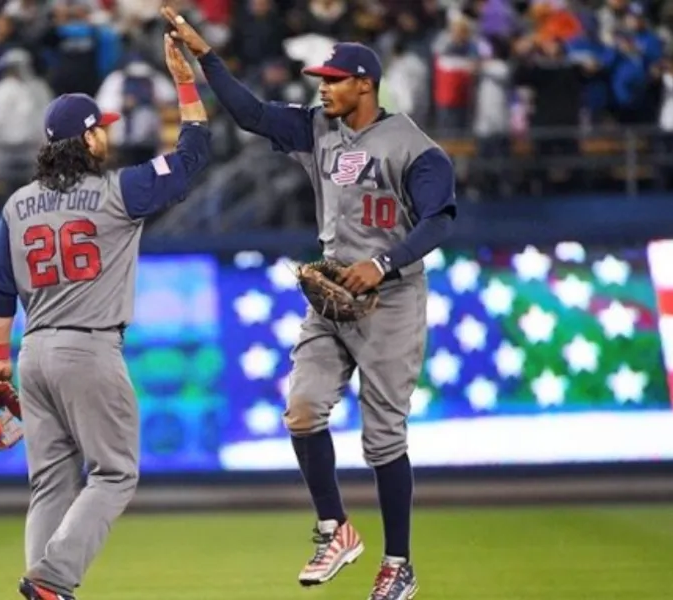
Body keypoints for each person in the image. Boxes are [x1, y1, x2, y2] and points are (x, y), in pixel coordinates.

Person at [164, 7, 457, 600]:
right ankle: (336, 530)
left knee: (382, 439)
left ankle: (398, 564)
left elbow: (440, 219)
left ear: (364, 84)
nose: (322, 88)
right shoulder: (317, 127)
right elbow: (248, 114)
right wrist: (206, 57)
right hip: (331, 293)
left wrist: (381, 264)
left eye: (332, 79)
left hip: (392, 297)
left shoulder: (415, 148)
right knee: (301, 410)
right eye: (320, 80)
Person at [0, 34, 212, 600]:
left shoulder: (17, 203)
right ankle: (52, 580)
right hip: (89, 349)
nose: (105, 132)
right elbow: (193, 156)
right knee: (114, 473)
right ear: (85, 138)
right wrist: (184, 82)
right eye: (98, 126)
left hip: (33, 354)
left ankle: (43, 588)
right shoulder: (118, 191)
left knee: (50, 483)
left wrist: (0, 360)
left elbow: (0, 293)